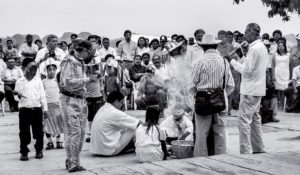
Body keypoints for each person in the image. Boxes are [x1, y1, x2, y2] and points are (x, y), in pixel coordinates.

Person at [226, 23, 268, 154]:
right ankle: (259, 148)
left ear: (252, 33)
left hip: (250, 89)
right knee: (255, 121)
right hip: (257, 89)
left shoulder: (254, 48)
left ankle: (245, 152)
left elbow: (247, 71)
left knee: (243, 122)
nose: (244, 35)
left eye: (246, 32)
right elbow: (251, 66)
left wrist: (231, 61)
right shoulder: (260, 47)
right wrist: (241, 56)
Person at [191, 34, 234, 157]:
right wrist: (220, 94)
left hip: (202, 100)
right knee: (220, 133)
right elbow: (231, 86)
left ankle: (200, 161)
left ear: (203, 47)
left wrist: (197, 98)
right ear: (216, 46)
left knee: (201, 135)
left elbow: (191, 86)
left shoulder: (199, 62)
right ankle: (220, 159)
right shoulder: (224, 62)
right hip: (220, 101)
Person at [59, 39, 97, 172]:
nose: (90, 55)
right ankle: (73, 163)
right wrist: (87, 79)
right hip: (69, 100)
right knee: (73, 132)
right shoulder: (68, 61)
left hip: (81, 99)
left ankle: (72, 160)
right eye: (90, 52)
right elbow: (66, 83)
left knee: (80, 133)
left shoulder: (80, 62)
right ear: (84, 50)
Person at [14, 58, 48, 161]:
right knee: (23, 132)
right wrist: (18, 96)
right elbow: (15, 97)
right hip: (24, 110)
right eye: (30, 69)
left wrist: (45, 109)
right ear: (24, 69)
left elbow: (42, 96)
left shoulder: (38, 81)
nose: (32, 72)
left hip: (36, 109)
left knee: (38, 131)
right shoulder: (19, 81)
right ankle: (24, 152)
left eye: (34, 70)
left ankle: (39, 150)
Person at [90, 91, 142, 156]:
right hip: (109, 150)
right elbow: (138, 123)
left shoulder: (102, 109)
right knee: (133, 127)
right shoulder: (115, 112)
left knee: (127, 124)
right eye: (121, 102)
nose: (122, 105)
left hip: (97, 150)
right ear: (116, 102)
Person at [43, 62, 64, 150]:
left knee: (58, 122)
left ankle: (59, 141)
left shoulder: (58, 81)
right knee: (47, 124)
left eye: (53, 70)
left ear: (56, 71)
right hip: (47, 105)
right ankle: (49, 142)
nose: (51, 72)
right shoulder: (43, 82)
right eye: (49, 70)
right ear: (46, 71)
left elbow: (62, 92)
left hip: (57, 104)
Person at [85, 54, 105, 143]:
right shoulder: (84, 75)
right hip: (88, 97)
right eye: (89, 67)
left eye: (93, 66)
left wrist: (103, 96)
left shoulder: (98, 74)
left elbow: (101, 82)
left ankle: (99, 132)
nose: (91, 68)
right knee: (90, 116)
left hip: (98, 96)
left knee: (98, 115)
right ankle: (91, 133)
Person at [273, 41, 290, 110]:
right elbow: (273, 65)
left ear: (285, 47)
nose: (280, 47)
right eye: (279, 46)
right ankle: (280, 104)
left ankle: (284, 104)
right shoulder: (275, 55)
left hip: (285, 73)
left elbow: (290, 64)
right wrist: (273, 75)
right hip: (277, 73)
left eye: (282, 45)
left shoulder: (288, 54)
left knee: (284, 89)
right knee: (278, 90)